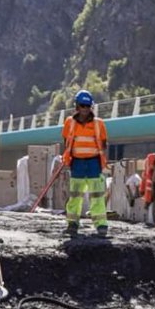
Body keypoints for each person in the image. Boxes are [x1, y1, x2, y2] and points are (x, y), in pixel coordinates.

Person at [61, 89, 109, 236]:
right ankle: (73, 224)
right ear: (77, 106)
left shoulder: (98, 124)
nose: (85, 109)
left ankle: (101, 225)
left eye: (87, 106)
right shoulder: (70, 122)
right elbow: (66, 141)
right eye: (82, 106)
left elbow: (104, 144)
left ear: (91, 107)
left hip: (94, 163)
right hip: (77, 163)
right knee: (75, 195)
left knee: (97, 196)